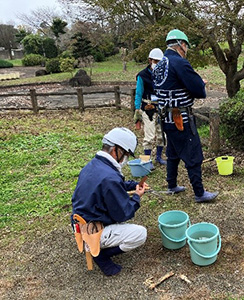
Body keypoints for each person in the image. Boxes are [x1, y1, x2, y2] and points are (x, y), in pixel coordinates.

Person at [152, 29, 218, 203]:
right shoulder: (179, 63)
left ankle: (171, 184)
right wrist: (200, 84)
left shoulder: (159, 64)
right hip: (180, 117)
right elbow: (198, 90)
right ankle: (199, 192)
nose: (186, 49)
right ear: (182, 44)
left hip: (165, 117)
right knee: (193, 152)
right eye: (186, 46)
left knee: (173, 151)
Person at [71, 127, 147, 276]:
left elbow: (112, 185)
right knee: (140, 234)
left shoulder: (94, 165)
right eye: (125, 154)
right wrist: (137, 197)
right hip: (92, 229)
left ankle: (96, 246)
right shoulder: (110, 177)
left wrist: (132, 185)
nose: (125, 159)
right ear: (115, 150)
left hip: (79, 222)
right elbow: (124, 213)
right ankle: (101, 255)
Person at [134, 48, 167, 167]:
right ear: (150, 60)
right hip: (147, 108)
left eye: (159, 61)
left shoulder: (164, 75)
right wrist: (137, 109)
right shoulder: (142, 76)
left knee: (161, 134)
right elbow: (138, 93)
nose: (157, 64)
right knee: (149, 135)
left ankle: (158, 157)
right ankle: (146, 161)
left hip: (161, 108)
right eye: (155, 61)